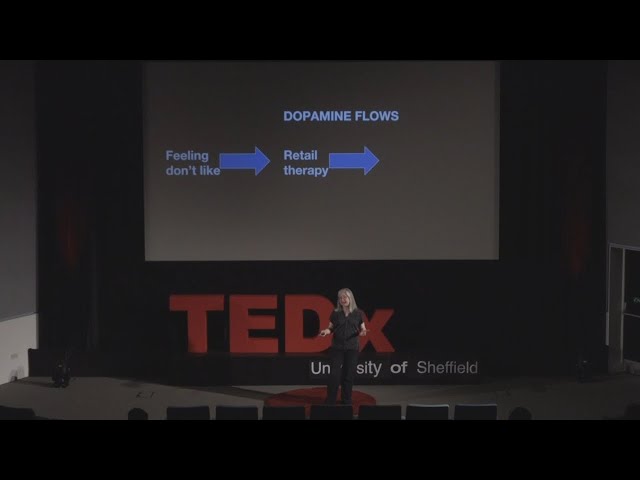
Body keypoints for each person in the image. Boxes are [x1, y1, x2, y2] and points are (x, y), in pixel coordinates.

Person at [319, 288, 367, 405]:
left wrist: (363, 332)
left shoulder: (358, 313)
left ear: (351, 298)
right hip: (337, 348)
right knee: (334, 375)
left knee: (348, 375)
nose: (342, 299)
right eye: (340, 298)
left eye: (345, 297)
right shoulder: (335, 313)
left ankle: (346, 400)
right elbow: (330, 328)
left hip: (352, 348)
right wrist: (326, 331)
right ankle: (331, 400)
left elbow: (363, 328)